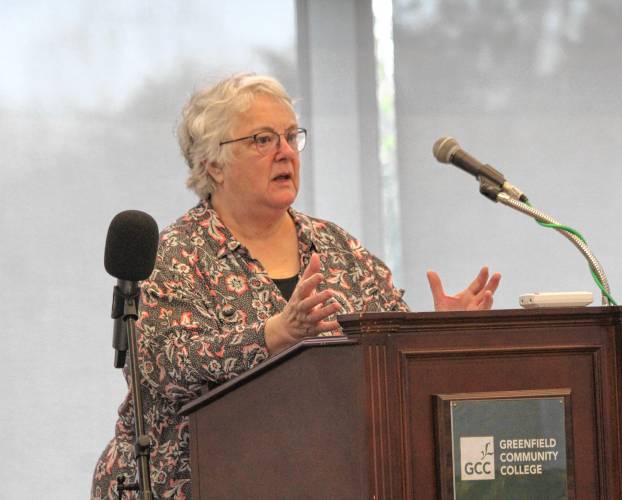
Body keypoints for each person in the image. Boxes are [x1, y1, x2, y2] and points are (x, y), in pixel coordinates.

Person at [91, 73, 501, 499]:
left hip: (322, 478)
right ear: (213, 164)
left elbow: (384, 355)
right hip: (194, 483)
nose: (285, 152)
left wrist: (441, 333)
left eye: (290, 136)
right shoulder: (175, 254)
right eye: (262, 139)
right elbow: (162, 365)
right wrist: (273, 336)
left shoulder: (338, 247)